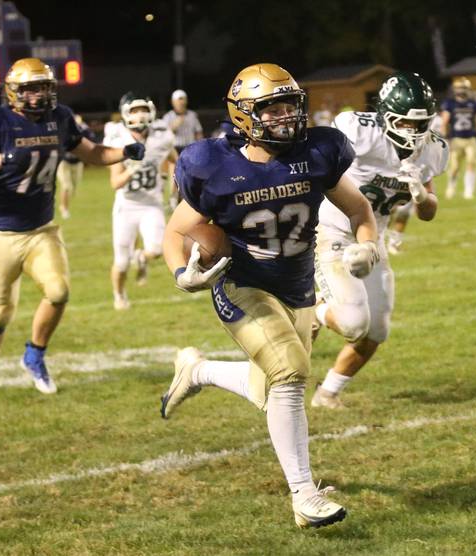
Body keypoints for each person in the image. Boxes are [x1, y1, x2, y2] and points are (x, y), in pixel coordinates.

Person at [160, 63, 379, 528]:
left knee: (270, 388)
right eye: (271, 108)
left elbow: (359, 208)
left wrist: (368, 246)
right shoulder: (213, 164)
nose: (284, 117)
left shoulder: (317, 152)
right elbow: (176, 231)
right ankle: (304, 495)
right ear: (242, 115)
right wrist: (182, 273)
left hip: (298, 286)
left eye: (289, 105)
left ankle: (196, 370)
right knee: (292, 375)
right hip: (243, 284)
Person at [0, 58, 145, 397]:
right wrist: (3, 158)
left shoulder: (60, 118)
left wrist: (125, 152)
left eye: (43, 87)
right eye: (29, 89)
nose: (37, 95)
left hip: (41, 230)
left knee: (58, 292)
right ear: (13, 92)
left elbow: (93, 153)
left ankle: (34, 353)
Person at [311, 72, 447, 408]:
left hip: (375, 238)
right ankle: (310, 311)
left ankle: (327, 393)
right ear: (385, 116)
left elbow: (429, 212)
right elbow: (315, 167)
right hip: (333, 229)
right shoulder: (359, 131)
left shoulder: (432, 149)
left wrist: (421, 197)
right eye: (404, 123)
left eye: (420, 125)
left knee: (377, 331)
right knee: (354, 324)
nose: (413, 133)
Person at [104, 92, 177, 310]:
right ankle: (119, 295)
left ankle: (142, 257)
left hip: (152, 203)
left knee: (156, 249)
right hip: (126, 206)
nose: (140, 115)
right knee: (122, 262)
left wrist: (173, 187)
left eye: (144, 110)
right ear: (126, 113)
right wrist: (131, 170)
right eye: (135, 110)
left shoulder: (160, 137)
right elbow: (115, 182)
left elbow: (177, 161)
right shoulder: (118, 140)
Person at [441, 76, 476, 199]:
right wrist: (445, 139)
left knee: (471, 163)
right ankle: (451, 186)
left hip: (470, 138)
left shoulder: (473, 103)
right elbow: (444, 122)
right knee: (455, 167)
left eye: (464, 88)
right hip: (456, 139)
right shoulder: (450, 103)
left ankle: (468, 191)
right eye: (460, 88)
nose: (462, 90)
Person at [56, 114, 96, 219]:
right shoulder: (62, 128)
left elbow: (91, 138)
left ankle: (64, 201)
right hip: (64, 162)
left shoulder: (83, 129)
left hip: (77, 162)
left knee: (74, 188)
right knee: (67, 186)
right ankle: (63, 208)